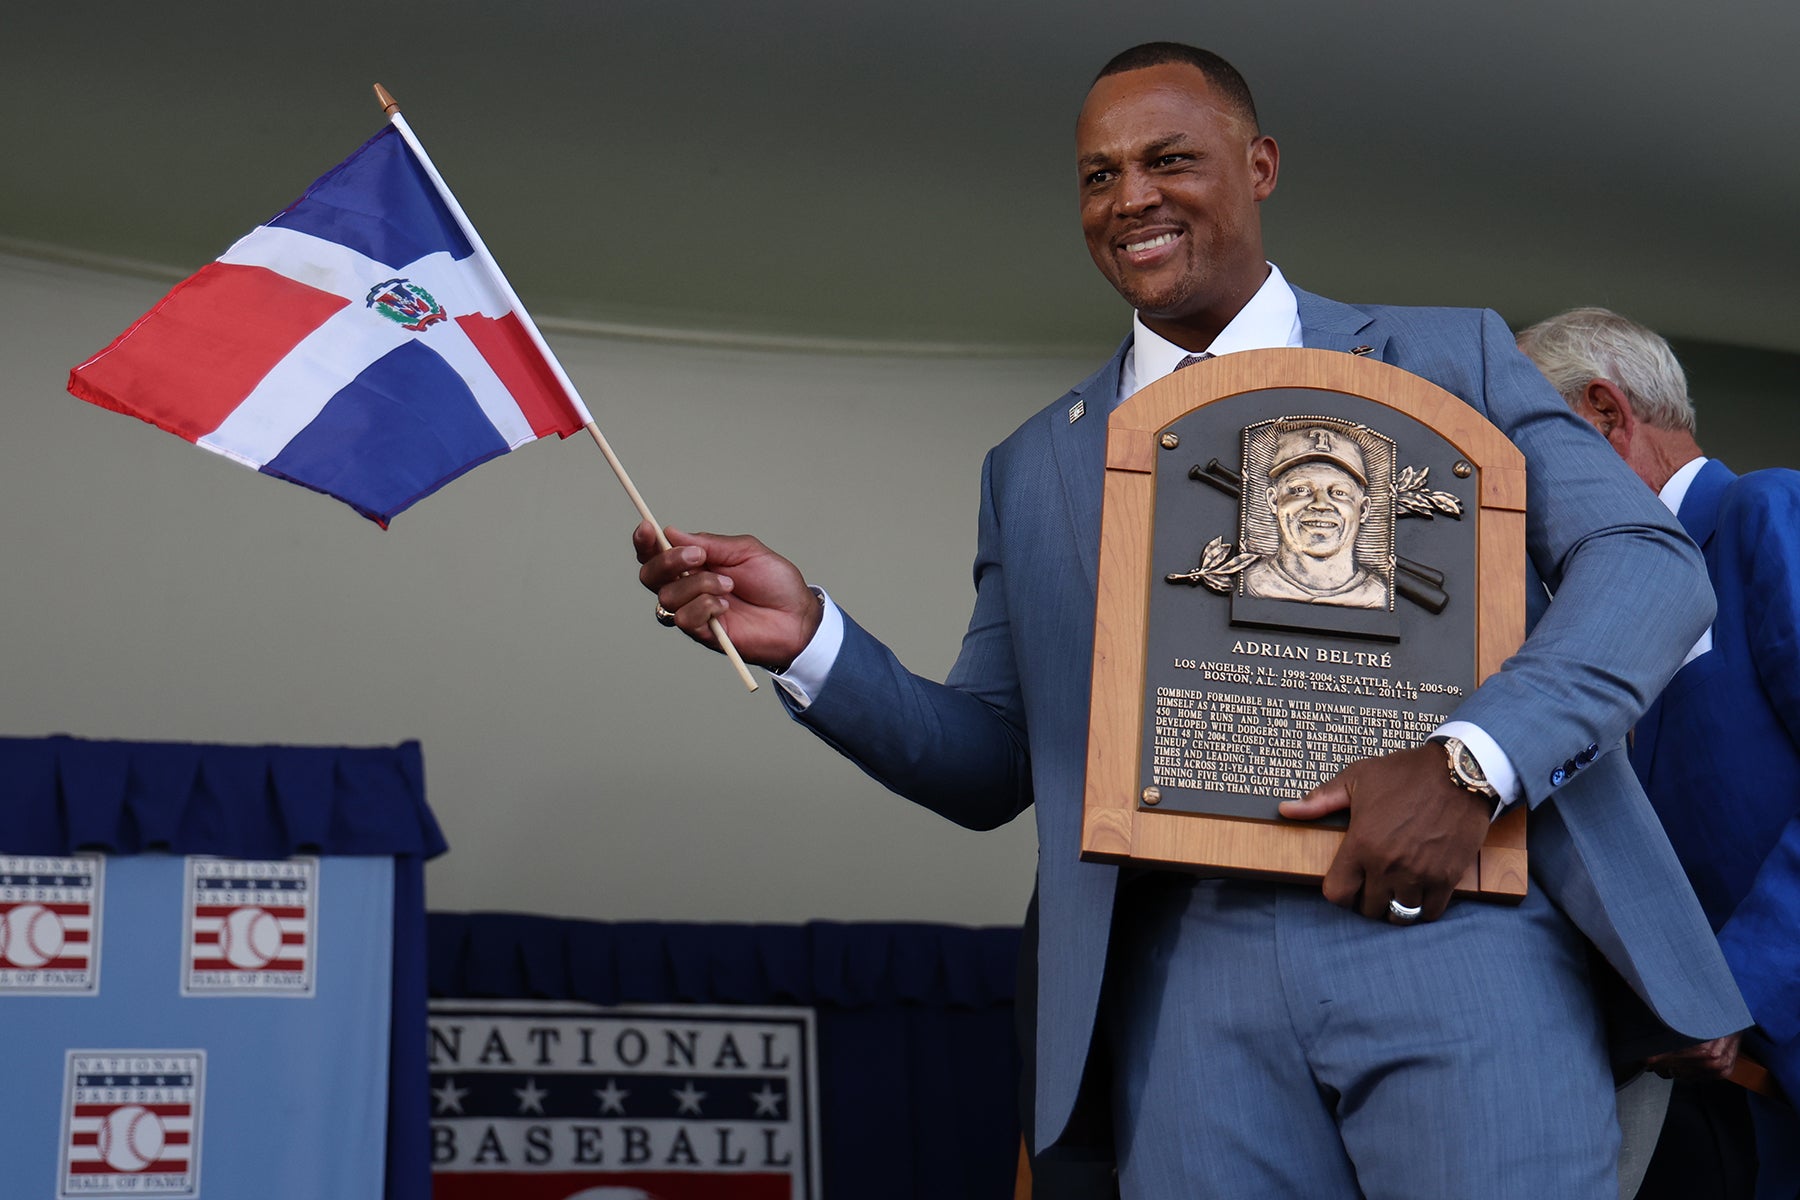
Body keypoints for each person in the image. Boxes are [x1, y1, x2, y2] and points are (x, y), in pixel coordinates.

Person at [637, 43, 1748, 1198]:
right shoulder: (1037, 465)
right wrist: (816, 640)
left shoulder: (1451, 354)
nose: (1133, 199)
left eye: (1170, 159)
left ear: (1259, 164)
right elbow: (999, 759)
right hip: (1184, 975)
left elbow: (1648, 563)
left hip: (1457, 917)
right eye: (1099, 175)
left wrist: (1471, 765)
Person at [1519, 307, 1800, 1200]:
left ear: (1604, 412)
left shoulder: (1765, 511)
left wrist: (1736, 984)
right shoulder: (1593, 610)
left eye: (1528, 454)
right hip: (1691, 1079)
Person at [1242, 422, 1389, 608]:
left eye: (1339, 492)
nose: (1320, 504)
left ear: (1364, 509)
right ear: (1273, 500)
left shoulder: (1377, 595)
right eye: (1301, 489)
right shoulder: (1252, 584)